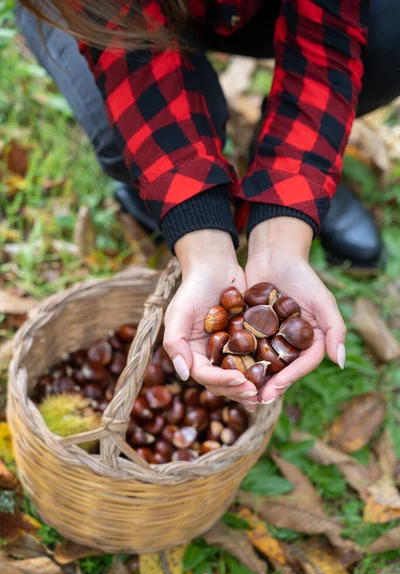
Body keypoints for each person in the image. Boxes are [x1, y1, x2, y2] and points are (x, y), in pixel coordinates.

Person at [15, 0, 398, 410]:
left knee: (389, 36)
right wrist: (202, 242)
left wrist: (284, 225)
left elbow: (326, 43)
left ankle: (294, 177)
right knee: (121, 138)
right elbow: (135, 62)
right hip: (105, 19)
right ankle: (169, 197)